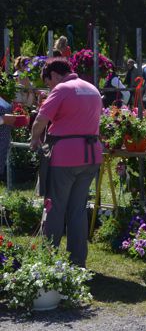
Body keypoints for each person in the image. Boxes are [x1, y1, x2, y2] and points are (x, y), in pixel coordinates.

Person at [30, 59, 103, 267]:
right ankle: (77, 261)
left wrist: (35, 140)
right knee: (78, 209)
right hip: (91, 155)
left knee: (54, 207)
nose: (49, 87)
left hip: (65, 156)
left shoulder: (62, 89)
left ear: (53, 75)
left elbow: (40, 120)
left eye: (48, 82)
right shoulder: (92, 88)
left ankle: (48, 260)